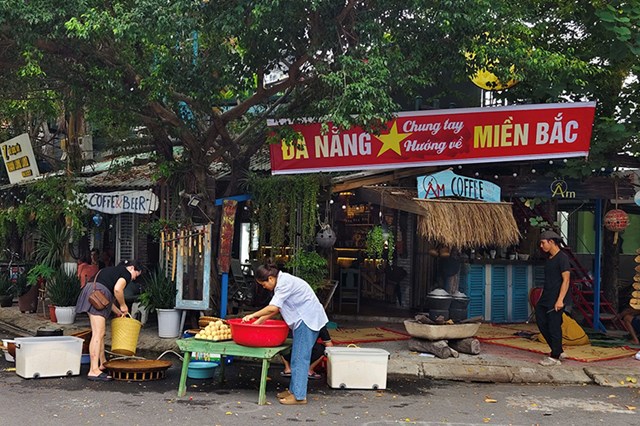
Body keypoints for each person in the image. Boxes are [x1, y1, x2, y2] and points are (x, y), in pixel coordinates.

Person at [242, 262, 328, 405]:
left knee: (300, 358)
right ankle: (294, 391)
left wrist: (253, 316)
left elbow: (273, 307)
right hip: (304, 319)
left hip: (306, 320)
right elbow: (275, 309)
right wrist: (259, 321)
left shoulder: (284, 283)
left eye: (263, 284)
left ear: (270, 278)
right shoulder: (282, 282)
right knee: (296, 356)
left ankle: (299, 396)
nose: (264, 287)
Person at [75, 259, 144, 381]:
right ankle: (93, 370)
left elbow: (105, 298)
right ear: (132, 268)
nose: (133, 278)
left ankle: (102, 363)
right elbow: (118, 290)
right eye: (136, 275)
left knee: (100, 333)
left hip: (92, 293)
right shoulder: (126, 273)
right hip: (97, 294)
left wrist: (119, 311)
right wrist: (123, 305)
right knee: (98, 334)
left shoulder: (112, 270)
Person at [536, 230, 571, 366]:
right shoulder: (549, 259)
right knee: (541, 321)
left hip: (557, 298)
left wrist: (560, 300)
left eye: (543, 243)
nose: (541, 246)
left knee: (554, 326)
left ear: (551, 242)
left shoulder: (563, 258)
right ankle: (558, 349)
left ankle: (555, 356)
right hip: (546, 297)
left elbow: (566, 280)